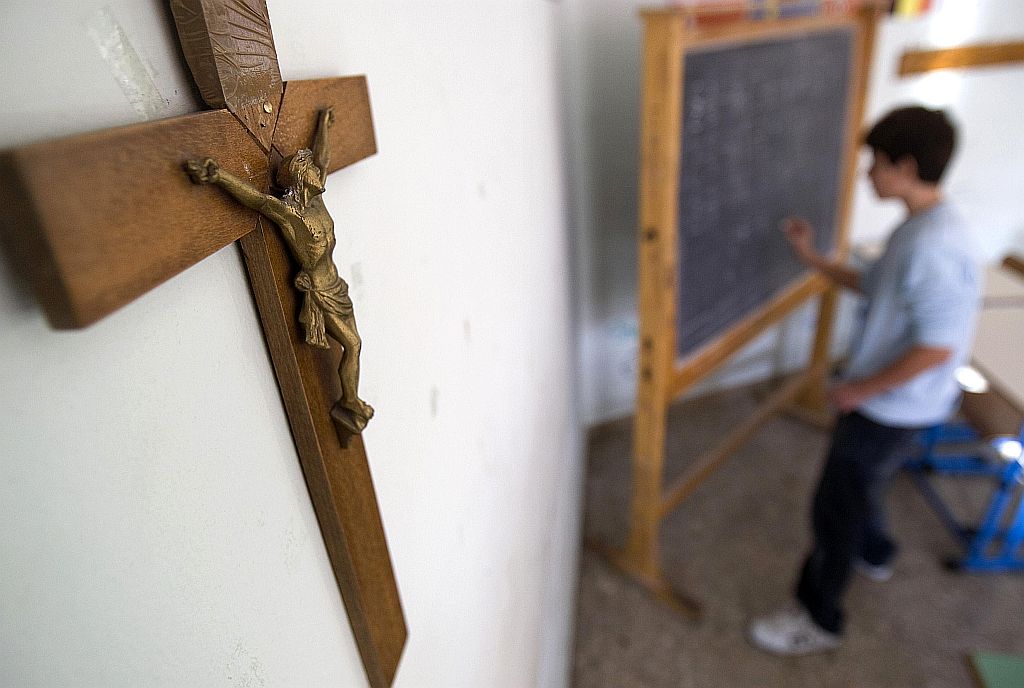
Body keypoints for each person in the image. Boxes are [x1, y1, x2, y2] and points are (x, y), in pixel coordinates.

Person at [748, 106, 981, 655]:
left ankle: (817, 618)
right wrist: (811, 258)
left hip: (892, 407)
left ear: (905, 166)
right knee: (864, 489)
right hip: (898, 404)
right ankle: (876, 552)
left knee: (834, 512)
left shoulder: (933, 245)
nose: (867, 173)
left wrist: (860, 390)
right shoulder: (920, 226)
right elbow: (875, 285)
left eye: (875, 162)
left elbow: (937, 346)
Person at [185, 107, 374, 436]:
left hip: (338, 287)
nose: (317, 167)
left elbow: (324, 157)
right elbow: (257, 199)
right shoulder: (290, 214)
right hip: (320, 295)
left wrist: (323, 125)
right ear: (302, 177)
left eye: (314, 164)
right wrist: (219, 177)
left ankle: (351, 402)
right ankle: (351, 402)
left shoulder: (317, 200)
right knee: (353, 345)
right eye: (309, 165)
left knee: (356, 345)